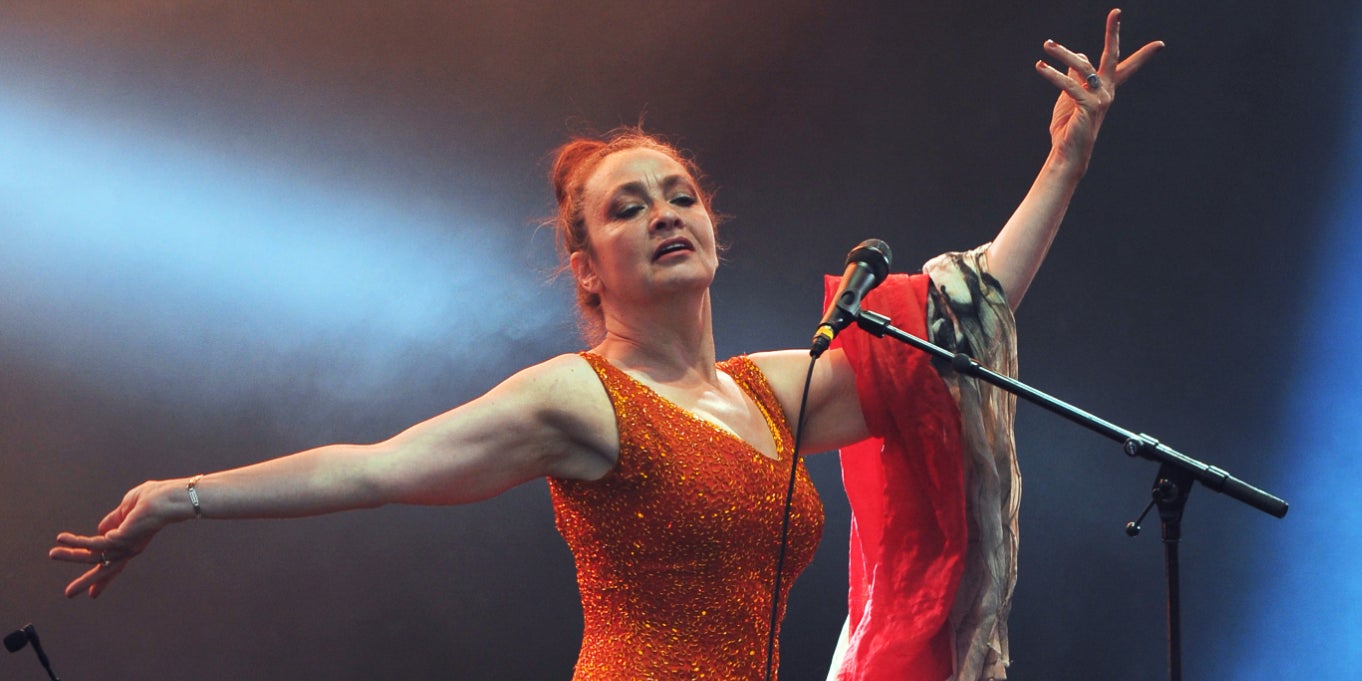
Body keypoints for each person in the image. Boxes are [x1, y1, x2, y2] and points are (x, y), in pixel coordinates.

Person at [50, 9, 1161, 681]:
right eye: (627, 209)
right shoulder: (579, 402)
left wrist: (1067, 158)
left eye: (679, 196)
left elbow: (958, 319)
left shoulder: (777, 391)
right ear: (586, 268)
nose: (665, 214)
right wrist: (182, 495)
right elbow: (376, 469)